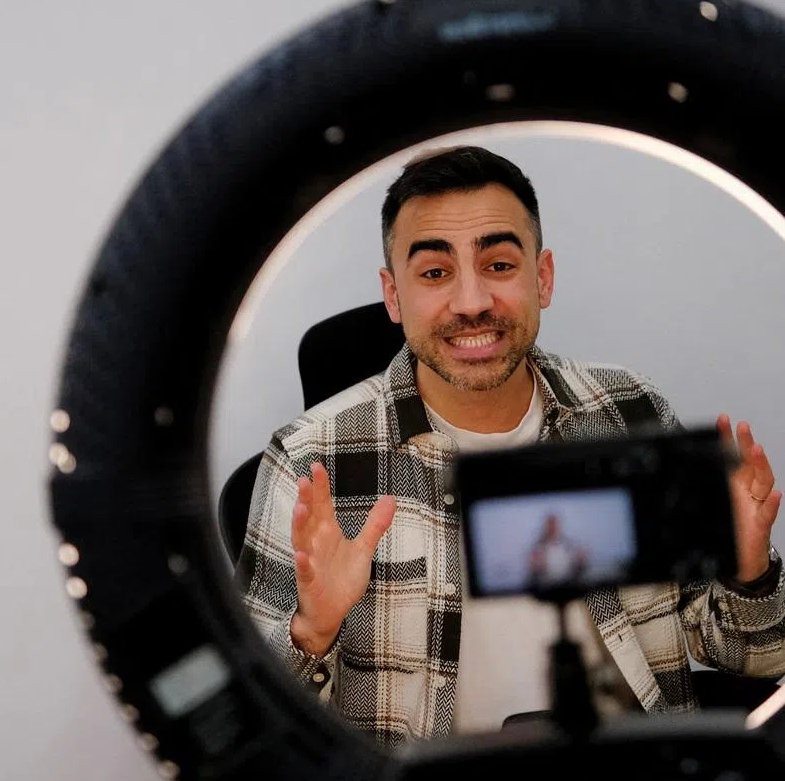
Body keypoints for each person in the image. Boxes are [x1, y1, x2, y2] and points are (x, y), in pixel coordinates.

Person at [237, 146, 785, 747]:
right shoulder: (310, 460)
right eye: (435, 273)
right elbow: (253, 727)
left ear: (542, 278)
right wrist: (311, 632)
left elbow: (757, 658)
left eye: (498, 265)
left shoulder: (629, 412)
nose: (472, 303)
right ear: (393, 296)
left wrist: (749, 570)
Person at [526, 513, 589, 590]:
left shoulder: (569, 545)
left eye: (555, 524)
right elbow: (532, 574)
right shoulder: (538, 548)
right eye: (550, 524)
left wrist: (582, 561)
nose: (553, 528)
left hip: (569, 586)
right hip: (547, 588)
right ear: (545, 527)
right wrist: (535, 567)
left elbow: (579, 568)